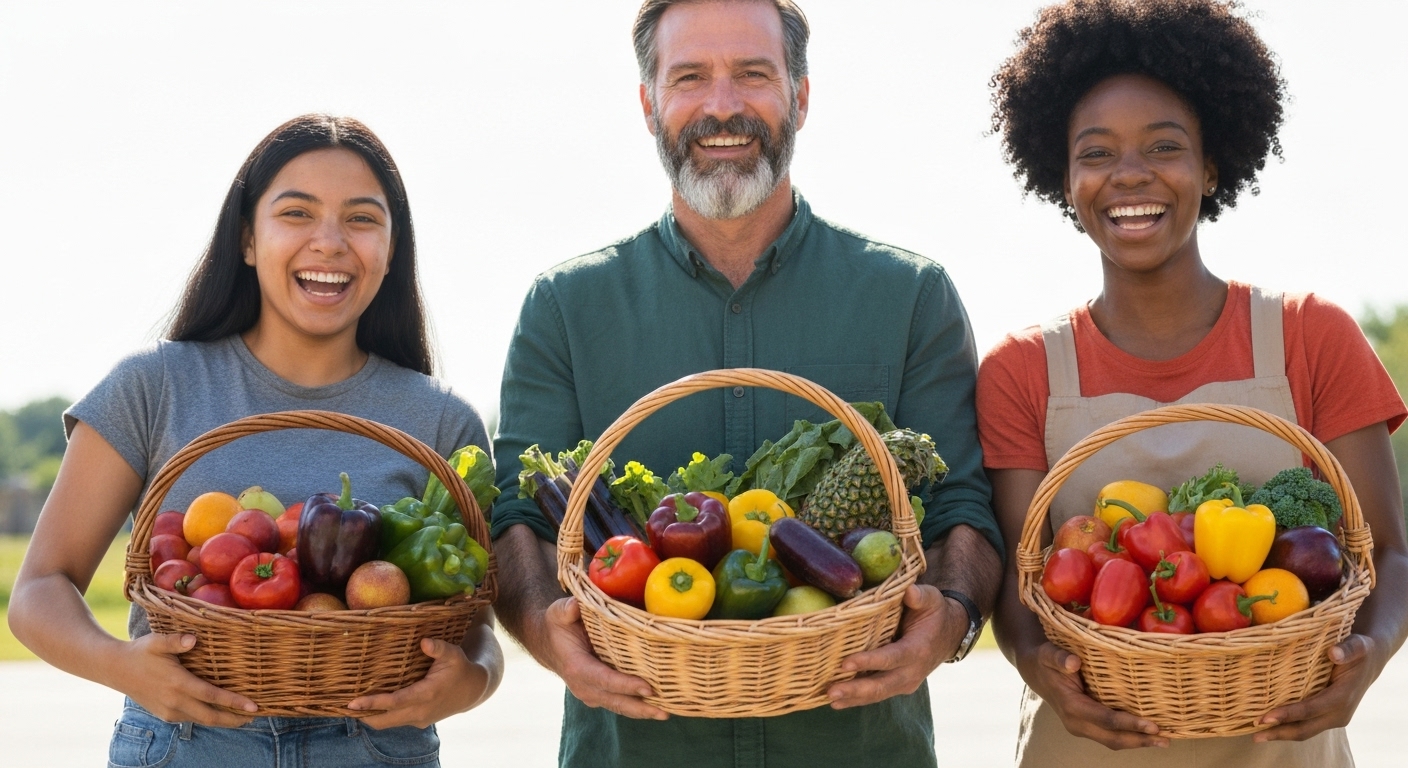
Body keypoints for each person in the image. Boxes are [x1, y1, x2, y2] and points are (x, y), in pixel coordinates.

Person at [489, 1, 1004, 766]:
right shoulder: (564, 308)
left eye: (753, 75)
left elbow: (962, 501)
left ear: (800, 93)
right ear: (648, 102)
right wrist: (543, 632)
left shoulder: (909, 296)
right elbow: (518, 516)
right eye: (690, 77)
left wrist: (953, 617)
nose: (722, 106)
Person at [979, 2, 1408, 766]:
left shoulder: (1314, 337)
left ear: (1211, 166)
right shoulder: (1020, 370)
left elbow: (1390, 555)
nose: (1131, 175)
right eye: (1097, 152)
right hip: (1086, 748)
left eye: (1164, 147)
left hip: (1285, 744)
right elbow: (1023, 587)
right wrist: (1037, 668)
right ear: (1064, 176)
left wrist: (1369, 656)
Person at [7, 114, 503, 767]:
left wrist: (474, 682)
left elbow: (476, 631)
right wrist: (124, 667)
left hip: (375, 747)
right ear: (246, 239)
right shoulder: (154, 387)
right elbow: (40, 589)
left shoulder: (442, 422)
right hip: (188, 743)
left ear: (391, 248)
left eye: (361, 219)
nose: (329, 242)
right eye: (296, 213)